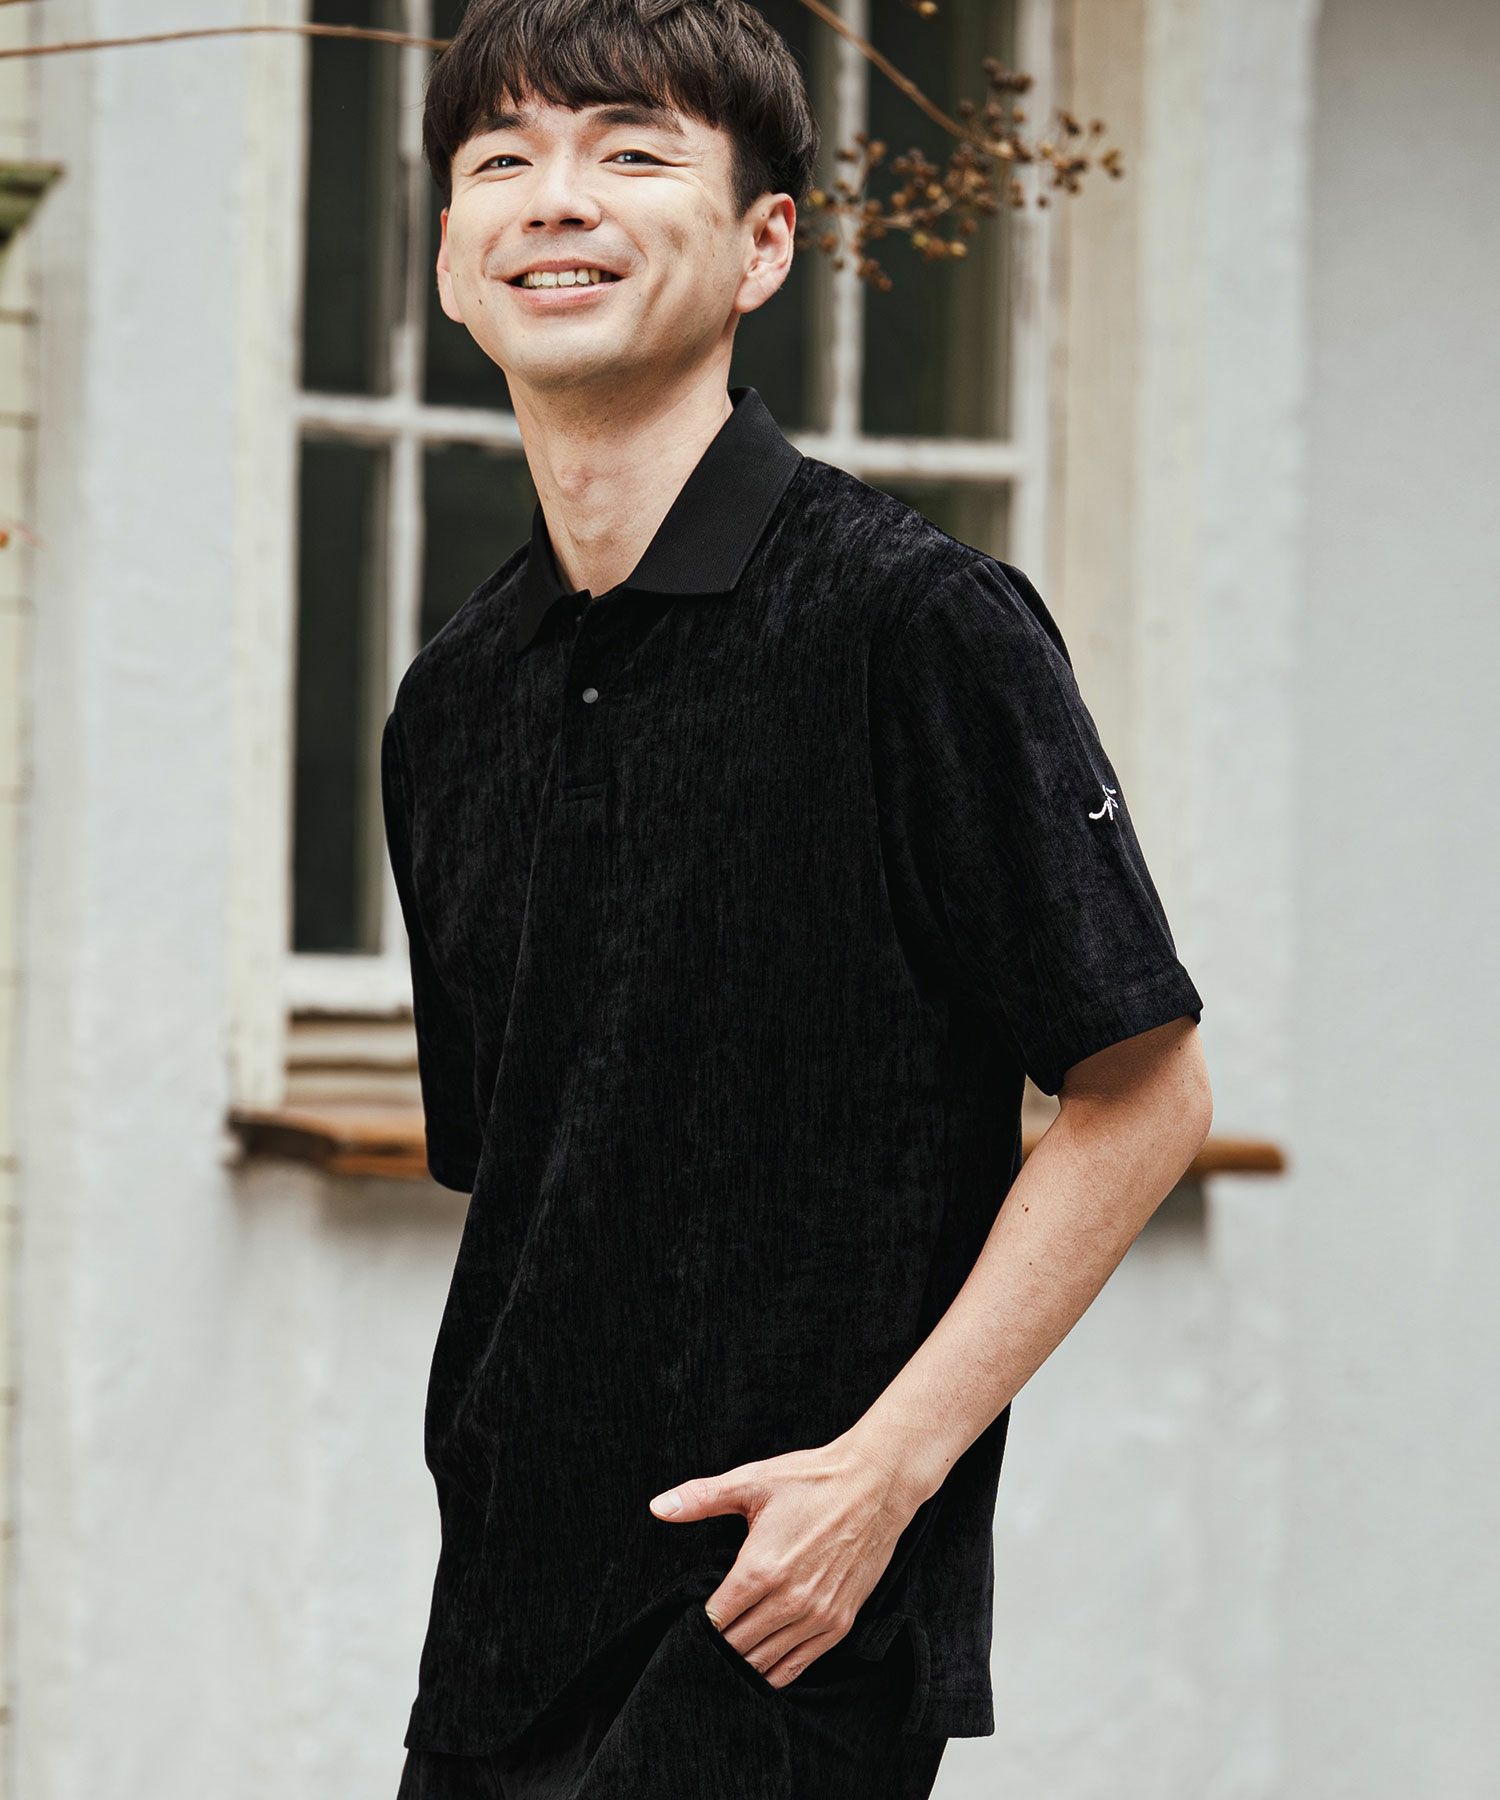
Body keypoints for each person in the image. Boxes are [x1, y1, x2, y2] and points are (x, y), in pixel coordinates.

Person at [381, 1, 1214, 1794]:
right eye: (502, 160)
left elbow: (1145, 1094)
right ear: (451, 260)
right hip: (497, 1632)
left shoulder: (915, 623)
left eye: (631, 151)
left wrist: (880, 1476)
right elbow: (523, 1176)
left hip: (782, 1623)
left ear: (765, 245)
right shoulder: (450, 702)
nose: (555, 197)